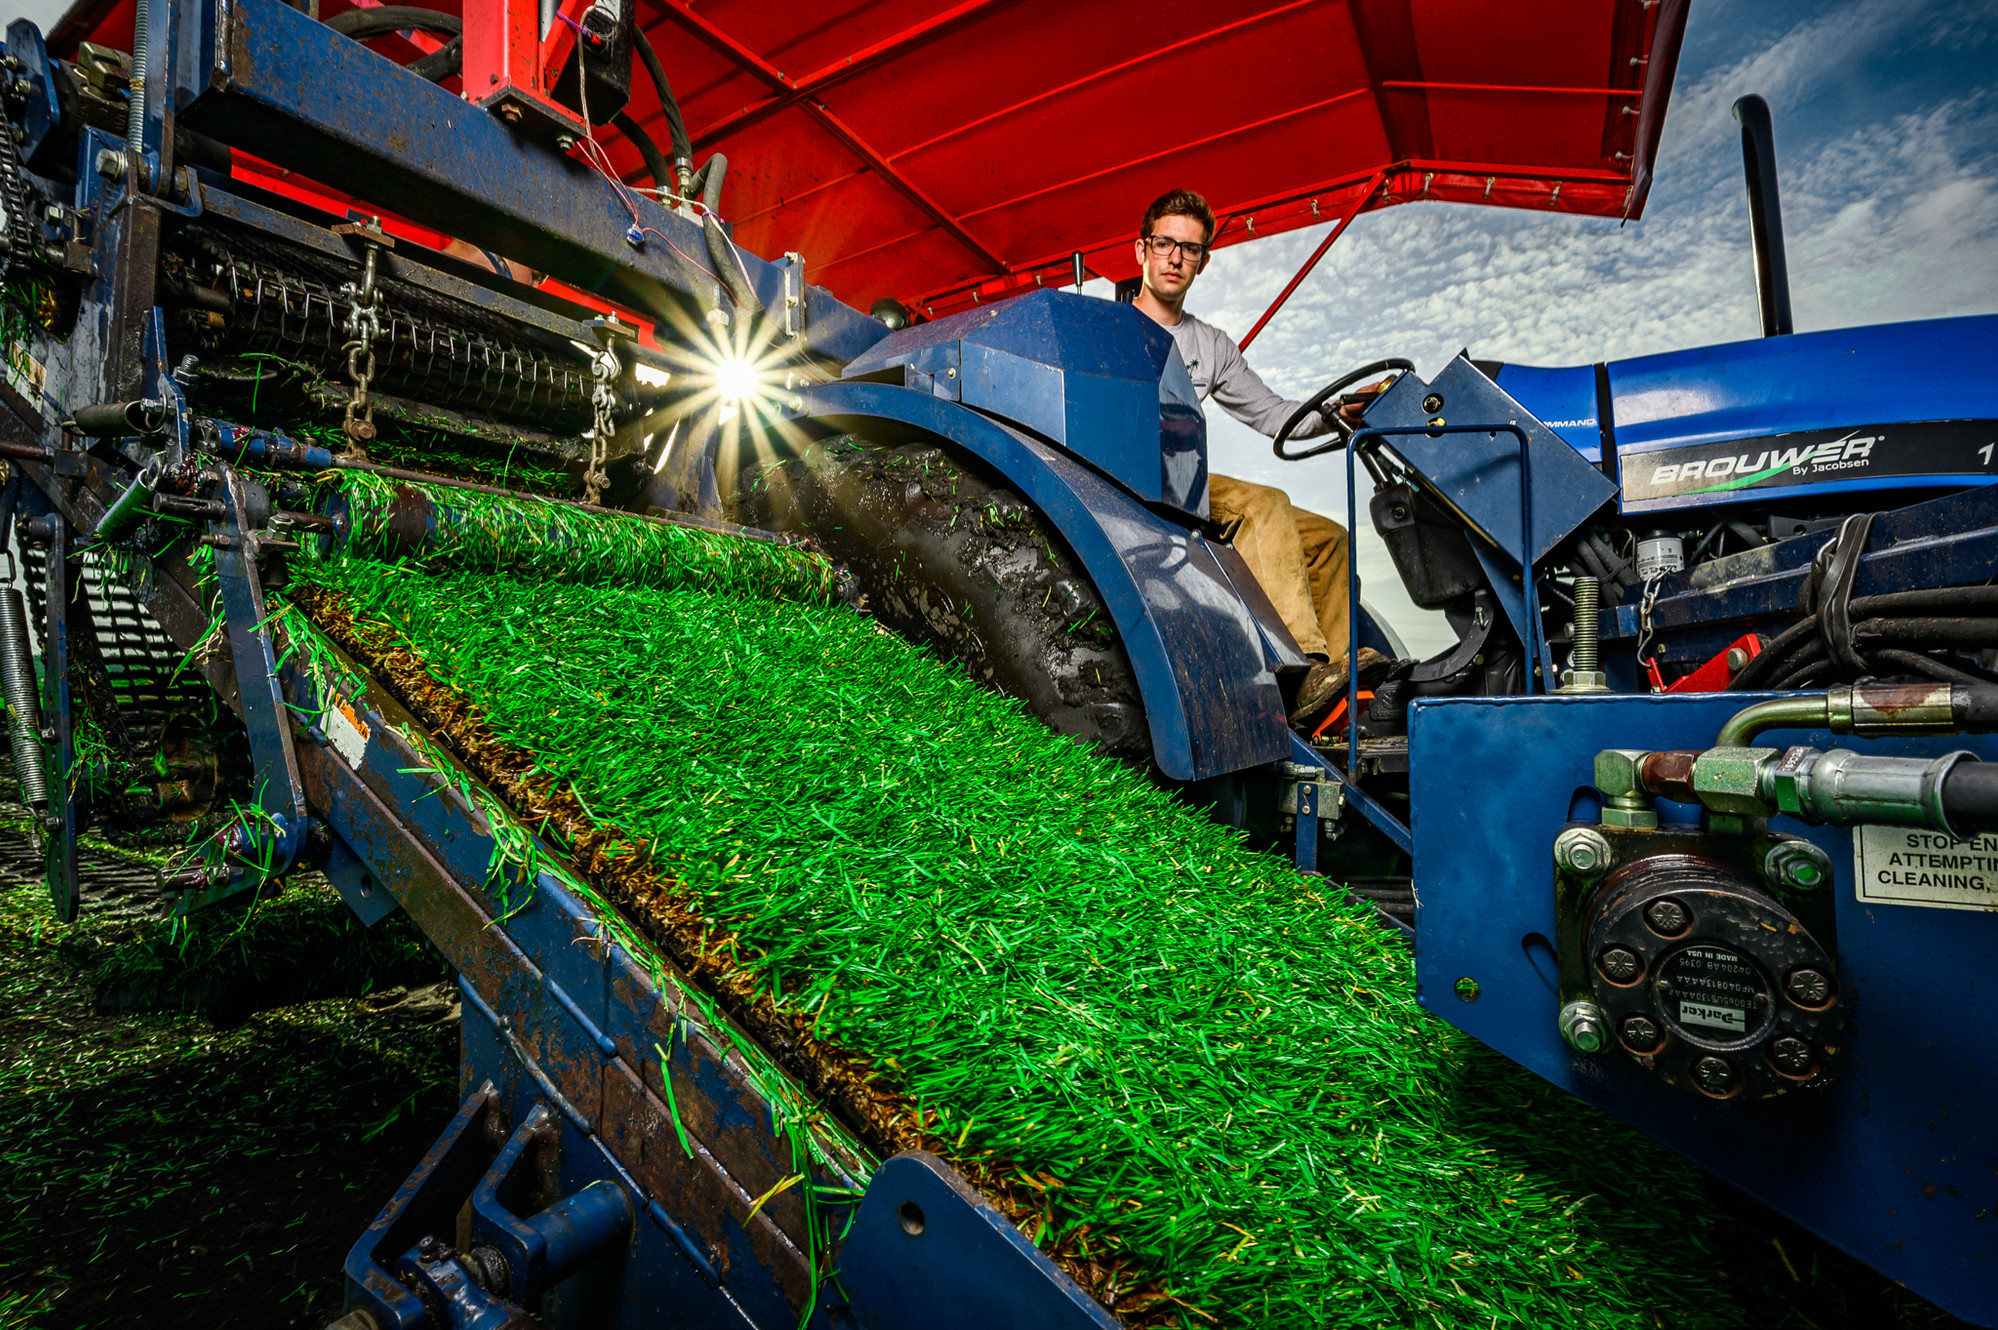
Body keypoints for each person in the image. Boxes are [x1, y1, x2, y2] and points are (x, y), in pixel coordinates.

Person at [1128, 188, 1388, 730]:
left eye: (1191, 249)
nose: (1176, 258)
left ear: (1202, 262)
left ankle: (1342, 693)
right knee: (1264, 502)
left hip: (1186, 484)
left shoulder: (1211, 344)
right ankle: (1301, 672)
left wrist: (1342, 411)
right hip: (1129, 475)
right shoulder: (1106, 330)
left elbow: (1275, 415)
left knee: (1329, 540)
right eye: (1165, 244)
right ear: (1142, 251)